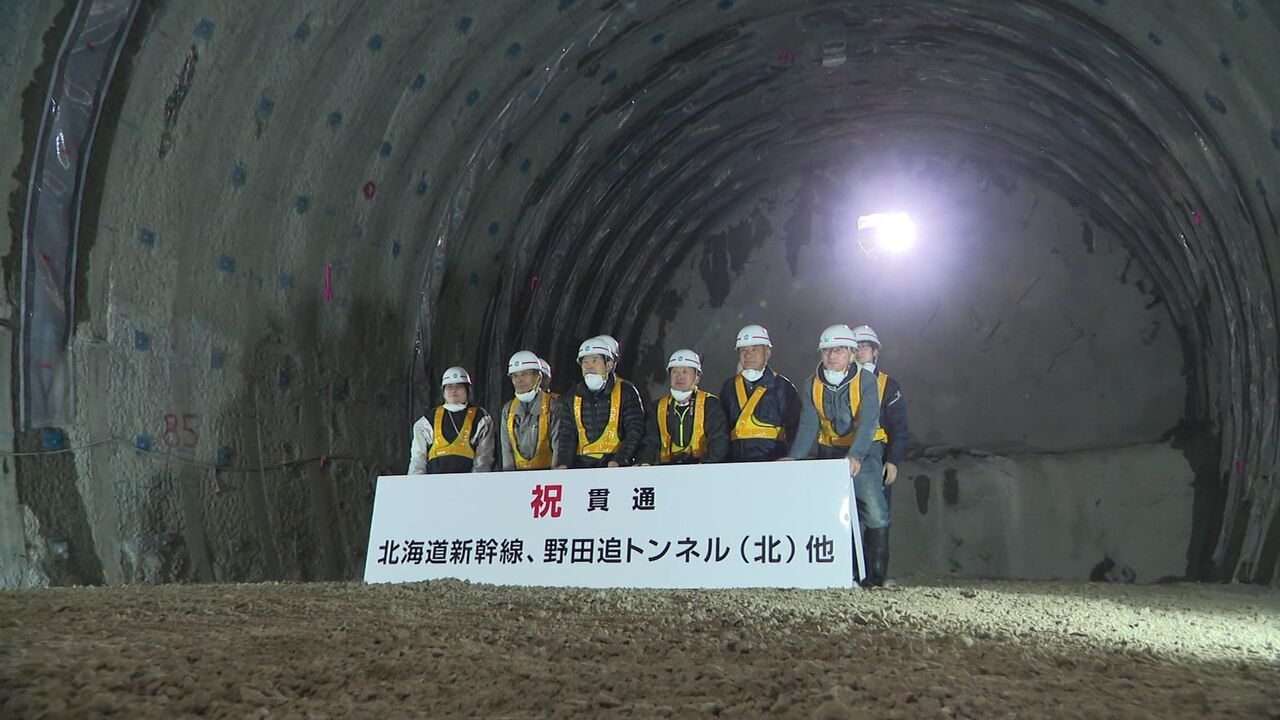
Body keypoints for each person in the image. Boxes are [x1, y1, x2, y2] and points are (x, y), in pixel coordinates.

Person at [787, 324, 887, 585]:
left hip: (863, 450)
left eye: (839, 350)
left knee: (874, 511)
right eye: (827, 351)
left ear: (852, 354)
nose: (832, 356)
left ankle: (875, 577)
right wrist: (794, 457)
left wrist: (855, 456)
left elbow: (868, 423)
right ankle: (841, 573)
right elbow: (809, 424)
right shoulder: (812, 384)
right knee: (834, 513)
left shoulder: (866, 381)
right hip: (830, 451)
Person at [852, 324, 909, 586]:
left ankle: (876, 575)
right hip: (846, 456)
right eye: (856, 347)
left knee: (878, 515)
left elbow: (899, 428)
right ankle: (852, 573)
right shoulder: (843, 382)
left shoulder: (888, 385)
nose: (861, 351)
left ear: (875, 352)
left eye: (865, 347)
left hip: (877, 457)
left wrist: (893, 461)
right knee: (848, 515)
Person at [556, 336, 645, 468]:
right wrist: (563, 463)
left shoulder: (626, 391)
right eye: (584, 362)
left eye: (594, 360)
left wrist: (619, 460)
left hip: (615, 466)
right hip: (582, 467)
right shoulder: (572, 396)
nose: (589, 366)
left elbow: (635, 430)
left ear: (608, 364)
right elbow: (566, 435)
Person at [719, 324, 799, 462]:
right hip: (737, 465)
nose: (748, 355)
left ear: (767, 352)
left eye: (754, 349)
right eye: (743, 350)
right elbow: (721, 430)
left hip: (772, 463)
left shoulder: (782, 387)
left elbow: (796, 426)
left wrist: (792, 457)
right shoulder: (729, 388)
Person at [638, 349, 729, 465]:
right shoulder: (658, 407)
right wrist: (645, 462)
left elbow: (719, 441)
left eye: (685, 372)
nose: (679, 376)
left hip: (701, 469)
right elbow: (649, 442)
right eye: (675, 372)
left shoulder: (709, 404)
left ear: (697, 378)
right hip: (667, 470)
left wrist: (706, 464)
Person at [408, 366, 494, 474]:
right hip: (434, 482)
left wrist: (476, 482)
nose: (453, 390)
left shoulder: (481, 418)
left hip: (467, 482)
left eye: (459, 386)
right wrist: (415, 483)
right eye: (449, 387)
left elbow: (484, 457)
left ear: (468, 390)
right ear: (443, 391)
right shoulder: (427, 421)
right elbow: (418, 458)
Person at [499, 351, 570, 470]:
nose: (519, 380)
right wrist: (509, 478)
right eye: (515, 376)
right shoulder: (508, 409)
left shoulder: (553, 406)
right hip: (518, 477)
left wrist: (556, 477)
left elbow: (558, 445)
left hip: (546, 475)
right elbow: (506, 449)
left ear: (538, 377)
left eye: (524, 374)